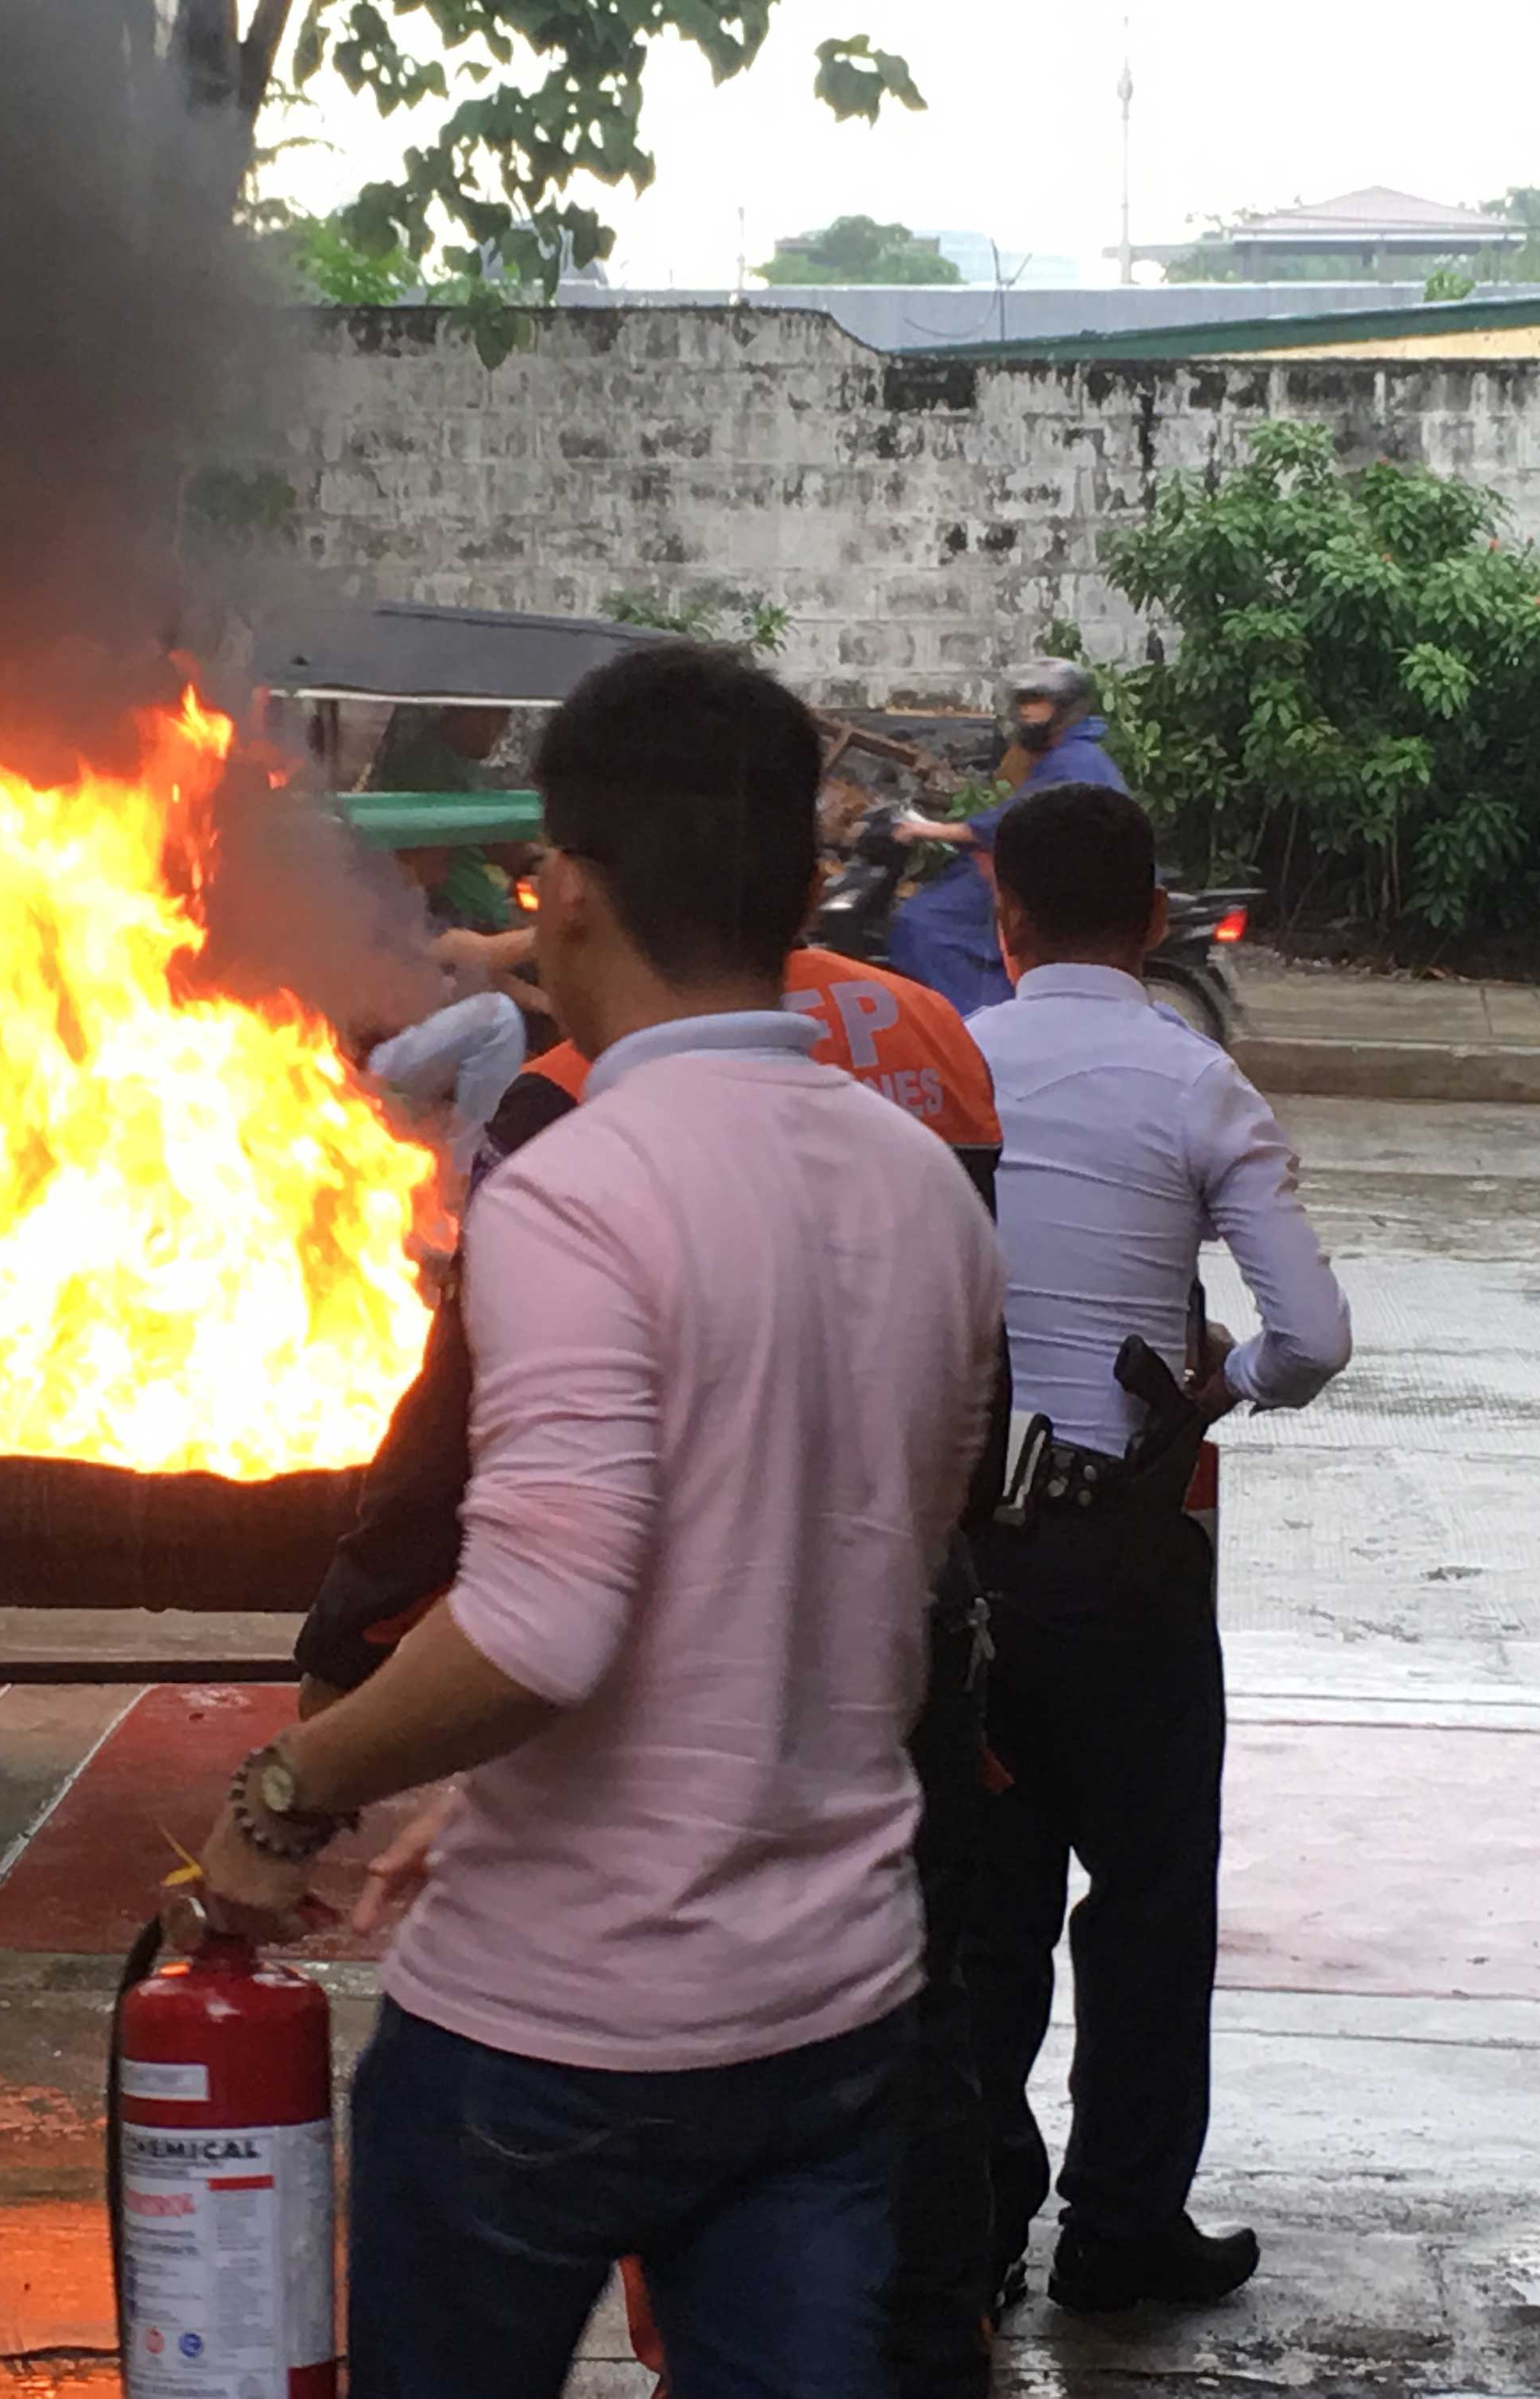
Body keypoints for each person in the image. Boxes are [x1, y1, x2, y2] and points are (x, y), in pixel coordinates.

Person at [197, 643, 1007, 2399]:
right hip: (831, 2018)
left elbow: (542, 1625)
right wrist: (487, 1788)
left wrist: (286, 1788)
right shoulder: (922, 1192)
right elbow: (853, 1566)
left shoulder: (575, 1188)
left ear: (561, 891)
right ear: (796, 889)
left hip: (555, 2035)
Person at [963, 780, 1352, 2316]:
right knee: (1147, 1900)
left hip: (965, 1564)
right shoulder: (1197, 1087)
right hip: (1127, 1561)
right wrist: (1225, 1380)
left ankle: (974, 2225)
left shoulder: (948, 1069)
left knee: (980, 1912)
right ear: (1148, 923)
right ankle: (1120, 2230)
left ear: (1001, 920)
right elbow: (1310, 1337)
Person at [886, 660, 1127, 1016]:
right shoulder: (1068, 755)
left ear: (1066, 707)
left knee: (922, 922)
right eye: (1022, 701)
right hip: (1040, 872)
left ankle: (971, 1021)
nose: (1026, 711)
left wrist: (926, 829)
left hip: (1048, 881)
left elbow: (1011, 822)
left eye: (1037, 700)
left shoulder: (1074, 761)